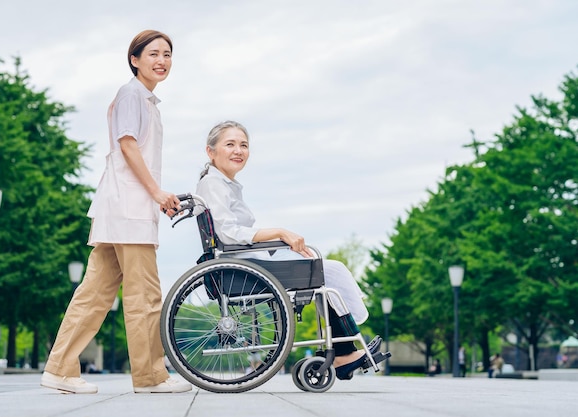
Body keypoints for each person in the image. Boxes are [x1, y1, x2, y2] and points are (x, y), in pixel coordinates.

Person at [40, 30, 191, 394]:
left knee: (94, 293)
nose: (162, 60)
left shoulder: (145, 100)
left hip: (120, 208)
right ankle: (151, 377)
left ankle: (59, 369)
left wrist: (155, 193)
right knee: (145, 295)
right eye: (153, 53)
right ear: (134, 59)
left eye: (167, 54)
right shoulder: (131, 94)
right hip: (130, 210)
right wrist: (156, 191)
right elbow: (127, 145)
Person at [195, 120, 382, 380]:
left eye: (244, 145)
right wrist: (280, 232)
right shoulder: (213, 184)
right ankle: (344, 352)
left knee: (321, 267)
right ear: (211, 152)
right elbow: (230, 234)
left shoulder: (221, 183)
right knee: (323, 270)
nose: (238, 150)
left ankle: (344, 351)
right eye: (230, 144)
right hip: (243, 265)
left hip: (246, 261)